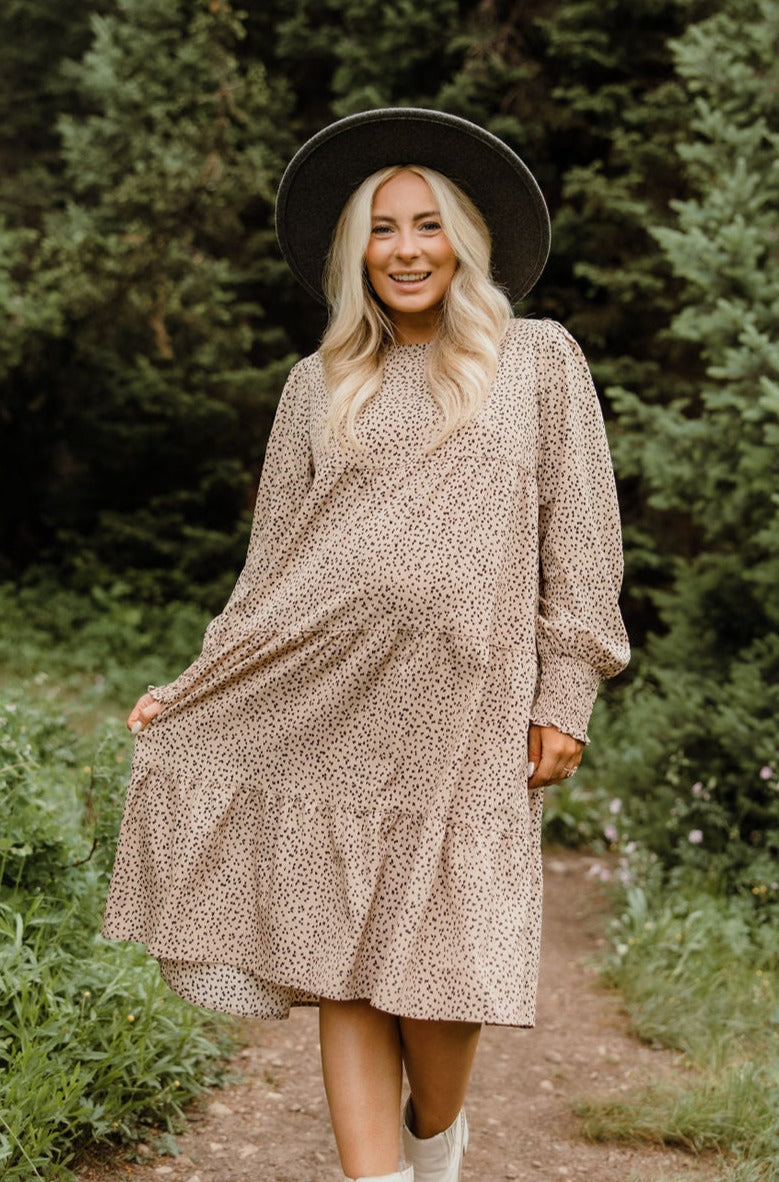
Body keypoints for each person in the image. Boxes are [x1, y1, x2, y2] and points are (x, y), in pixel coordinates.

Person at [103, 108, 630, 1182]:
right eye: (381, 229)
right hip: (324, 704)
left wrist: (565, 690)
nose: (404, 248)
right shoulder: (317, 382)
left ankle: (435, 1136)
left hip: (465, 714)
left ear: (463, 240)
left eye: (426, 225)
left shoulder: (536, 360)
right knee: (338, 959)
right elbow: (270, 567)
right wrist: (198, 681)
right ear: (355, 253)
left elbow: (580, 538)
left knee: (441, 981)